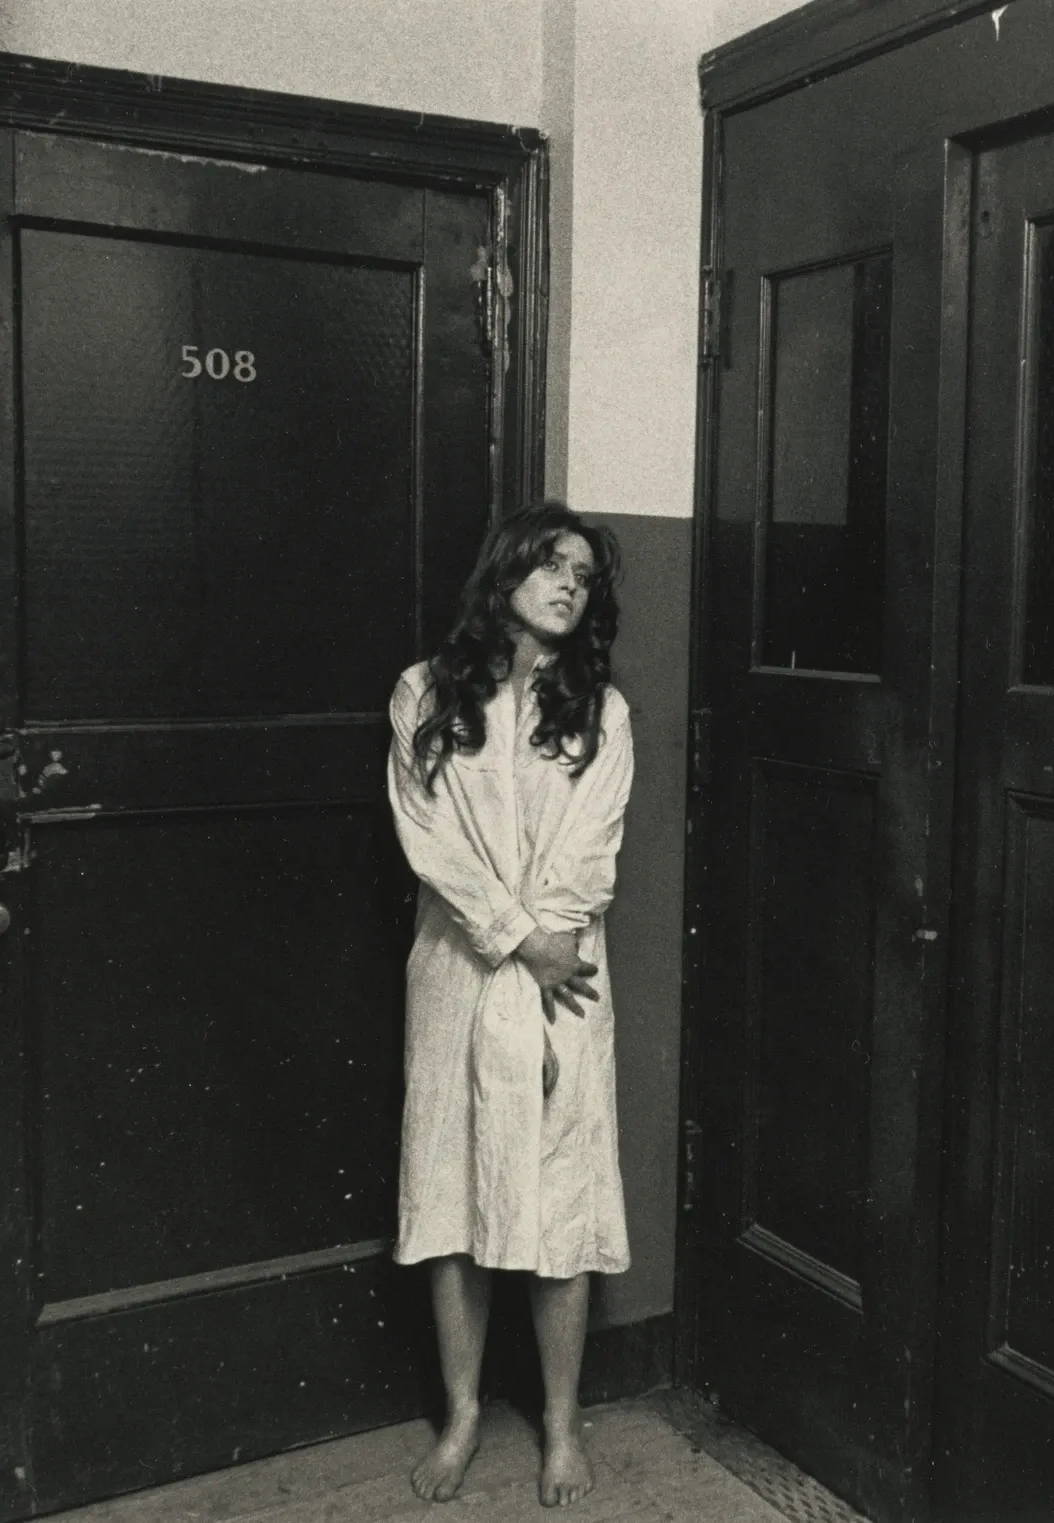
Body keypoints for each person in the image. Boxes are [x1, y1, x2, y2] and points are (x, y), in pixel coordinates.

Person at [386, 502, 634, 1507]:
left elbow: (592, 849)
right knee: (451, 1192)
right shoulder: (424, 693)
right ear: (506, 575)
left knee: (559, 1196)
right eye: (550, 564)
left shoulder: (602, 711)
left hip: (565, 978)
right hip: (461, 971)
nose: (570, 583)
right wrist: (514, 936)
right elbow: (431, 837)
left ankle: (563, 1427)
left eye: (583, 571)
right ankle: (463, 1415)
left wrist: (544, 945)